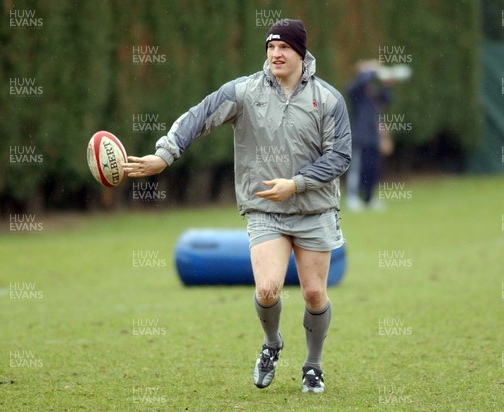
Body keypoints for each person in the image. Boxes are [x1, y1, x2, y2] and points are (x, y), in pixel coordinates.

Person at [122, 19, 351, 394]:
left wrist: (296, 183)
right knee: (267, 290)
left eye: (284, 48)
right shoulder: (245, 92)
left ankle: (313, 365)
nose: (275, 54)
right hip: (265, 210)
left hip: (315, 209)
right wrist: (164, 155)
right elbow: (199, 116)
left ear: (301, 53)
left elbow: (340, 155)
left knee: (313, 294)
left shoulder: (327, 99)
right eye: (270, 48)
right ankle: (272, 344)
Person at [345, 61, 393, 211]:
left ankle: (369, 198)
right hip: (360, 137)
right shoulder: (355, 91)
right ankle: (352, 197)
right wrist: (372, 69)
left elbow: (387, 98)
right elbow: (361, 81)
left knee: (372, 170)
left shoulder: (373, 96)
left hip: (374, 138)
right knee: (357, 169)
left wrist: (385, 84)